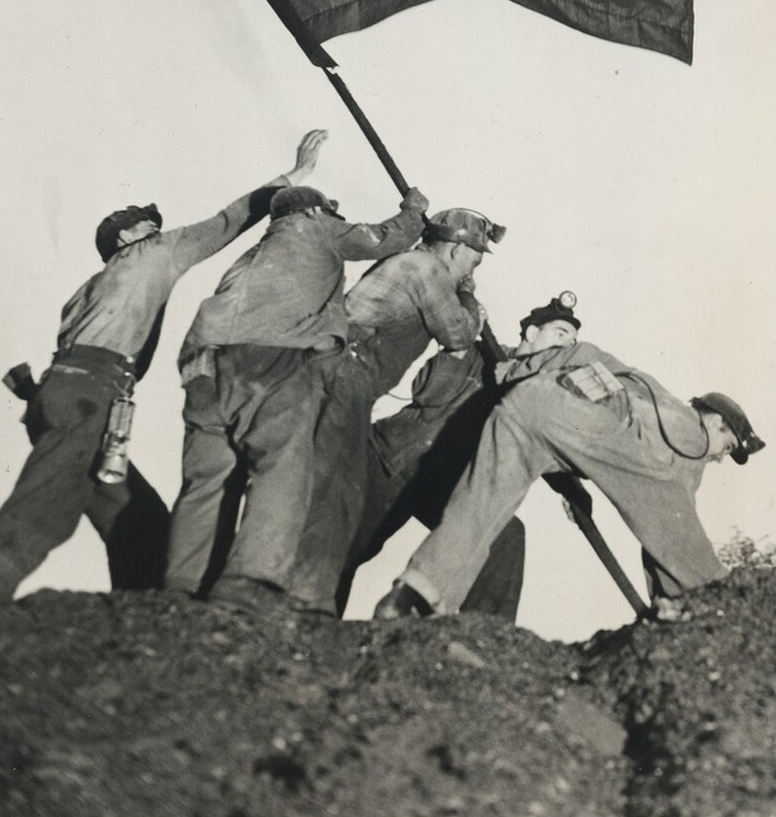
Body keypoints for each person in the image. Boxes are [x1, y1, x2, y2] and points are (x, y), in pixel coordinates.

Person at [0, 130, 327, 620]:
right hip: (90, 396)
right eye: (148, 226)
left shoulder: (89, 289)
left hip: (72, 398)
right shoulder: (149, 255)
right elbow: (227, 221)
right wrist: (294, 177)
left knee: (138, 521)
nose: (160, 231)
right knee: (38, 515)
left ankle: (145, 629)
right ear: (126, 238)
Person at [163, 182, 430, 603]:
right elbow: (382, 238)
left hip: (204, 366)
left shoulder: (252, 255)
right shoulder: (315, 228)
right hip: (275, 361)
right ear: (311, 212)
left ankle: (182, 587)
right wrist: (414, 212)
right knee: (282, 466)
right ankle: (247, 581)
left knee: (207, 482)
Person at [374, 338, 765, 617]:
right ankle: (708, 602)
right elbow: (670, 527)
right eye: (727, 447)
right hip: (572, 425)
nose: (718, 458)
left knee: (482, 503)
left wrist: (518, 370)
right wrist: (670, 597)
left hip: (525, 403)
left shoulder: (646, 388)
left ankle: (416, 592)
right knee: (673, 517)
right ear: (714, 421)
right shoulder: (691, 438)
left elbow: (582, 352)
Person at [287, 207, 504, 614]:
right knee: (334, 496)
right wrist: (471, 303)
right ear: (456, 250)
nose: (470, 274)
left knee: (334, 495)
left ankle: (311, 604)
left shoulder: (414, 266)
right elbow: (457, 336)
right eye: (472, 264)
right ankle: (302, 602)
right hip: (344, 375)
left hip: (342, 377)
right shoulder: (425, 268)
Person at [348, 293, 582, 621]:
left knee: (508, 537)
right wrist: (457, 352)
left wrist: (573, 491)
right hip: (397, 460)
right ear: (532, 334)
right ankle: (303, 627)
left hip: (446, 487)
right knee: (344, 552)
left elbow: (546, 447)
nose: (566, 346)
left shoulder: (536, 395)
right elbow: (426, 394)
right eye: (560, 334)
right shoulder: (478, 353)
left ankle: (485, 635)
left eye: (572, 342)